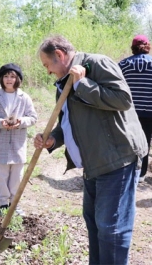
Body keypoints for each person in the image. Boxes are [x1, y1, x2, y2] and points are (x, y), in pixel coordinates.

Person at [34, 35, 148, 265]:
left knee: (112, 229)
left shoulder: (97, 64)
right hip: (93, 163)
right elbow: (67, 121)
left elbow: (123, 99)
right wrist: (52, 140)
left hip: (117, 159)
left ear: (59, 54)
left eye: (47, 65)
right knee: (95, 223)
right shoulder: (64, 82)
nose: (47, 71)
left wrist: (82, 84)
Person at [0, 63, 37, 216]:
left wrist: (21, 122)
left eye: (12, 76)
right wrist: (0, 123)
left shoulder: (24, 97)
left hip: (18, 142)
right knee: (2, 175)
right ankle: (3, 204)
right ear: (1, 79)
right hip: (0, 142)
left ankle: (15, 204)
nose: (9, 79)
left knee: (16, 176)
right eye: (6, 76)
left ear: (18, 79)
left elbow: (33, 117)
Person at [118, 35, 152, 183]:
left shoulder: (122, 65)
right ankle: (142, 173)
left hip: (129, 112)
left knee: (129, 141)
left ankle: (132, 171)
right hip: (150, 111)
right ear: (147, 46)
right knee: (147, 140)